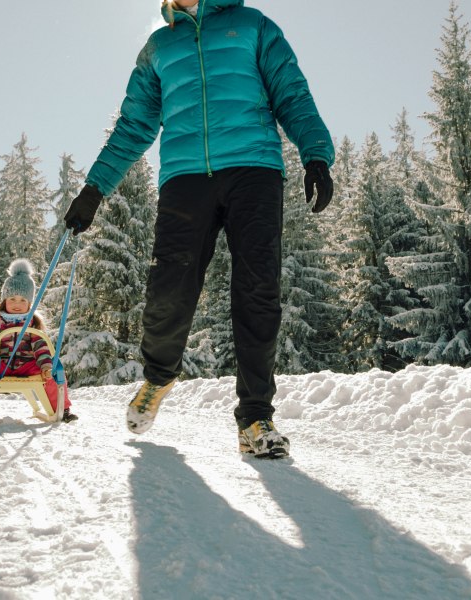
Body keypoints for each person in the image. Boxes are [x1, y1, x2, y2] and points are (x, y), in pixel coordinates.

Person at [63, 0, 334, 458]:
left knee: (257, 290)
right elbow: (134, 125)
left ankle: (254, 418)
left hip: (254, 169)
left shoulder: (251, 25)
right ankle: (158, 376)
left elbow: (291, 92)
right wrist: (95, 188)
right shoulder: (160, 46)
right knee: (169, 285)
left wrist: (316, 155)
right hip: (185, 178)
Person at [0, 259, 76, 424]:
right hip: (0, 364)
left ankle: (62, 408)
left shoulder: (33, 322)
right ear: (4, 300)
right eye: (12, 299)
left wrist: (46, 366)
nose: (17, 304)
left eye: (23, 300)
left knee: (53, 370)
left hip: (27, 365)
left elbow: (40, 347)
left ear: (30, 303)